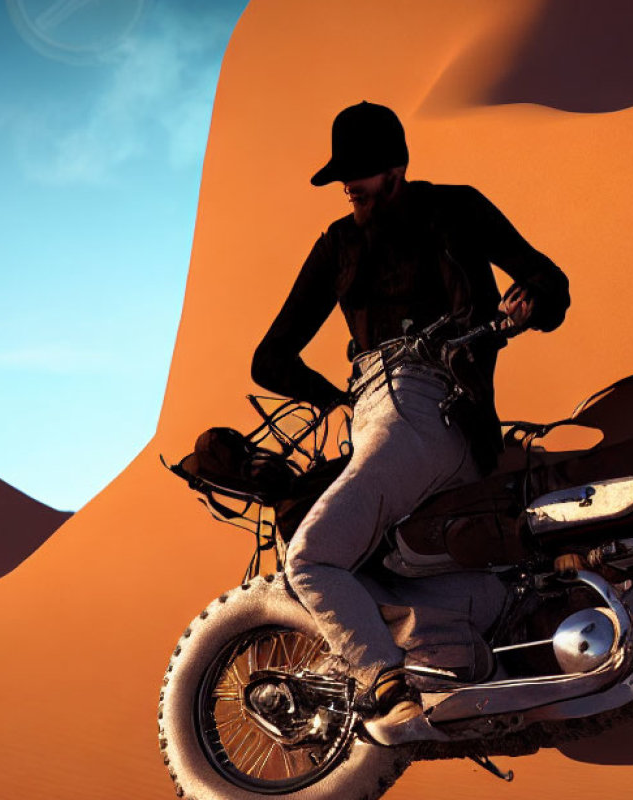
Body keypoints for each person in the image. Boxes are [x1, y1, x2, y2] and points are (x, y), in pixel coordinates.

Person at [250, 101, 570, 744]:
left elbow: (551, 281)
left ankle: (388, 694)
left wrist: (530, 299)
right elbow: (269, 360)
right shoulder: (338, 244)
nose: (349, 186)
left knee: (312, 558)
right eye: (344, 175)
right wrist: (336, 400)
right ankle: (454, 656)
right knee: (379, 566)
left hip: (432, 407)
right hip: (376, 417)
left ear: (397, 167)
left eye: (361, 172)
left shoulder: (456, 208)